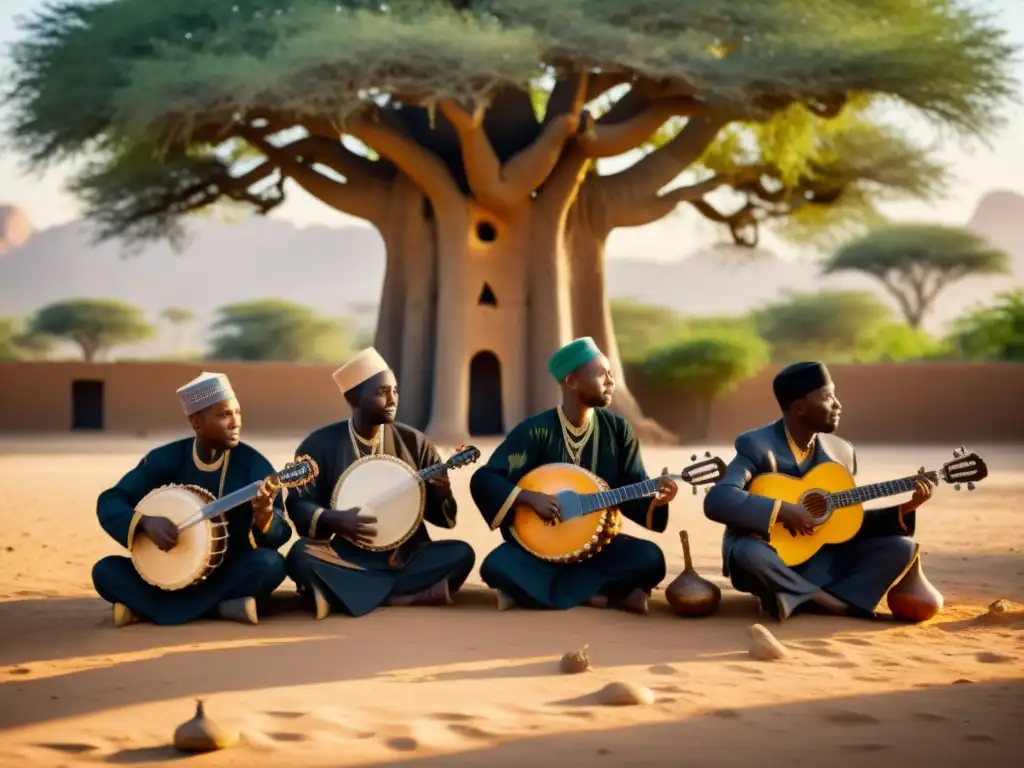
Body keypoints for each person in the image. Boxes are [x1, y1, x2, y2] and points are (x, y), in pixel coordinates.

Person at [703, 361, 934, 622]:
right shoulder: (757, 445)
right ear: (800, 407)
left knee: (901, 547)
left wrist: (906, 509)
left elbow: (842, 522)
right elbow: (719, 499)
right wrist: (785, 511)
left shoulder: (841, 452)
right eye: (827, 396)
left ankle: (795, 597)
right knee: (747, 553)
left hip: (820, 559)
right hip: (772, 558)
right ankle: (832, 603)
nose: (838, 405)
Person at [470, 337, 678, 614]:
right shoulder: (534, 431)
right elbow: (486, 479)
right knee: (496, 566)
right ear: (571, 381)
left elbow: (633, 484)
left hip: (598, 548)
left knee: (651, 559)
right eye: (602, 373)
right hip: (540, 551)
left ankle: (543, 594)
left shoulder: (618, 431)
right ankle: (601, 596)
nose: (610, 381)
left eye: (611, 373)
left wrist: (658, 500)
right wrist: (528, 498)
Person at [284, 348, 476, 619]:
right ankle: (405, 596)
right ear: (354, 397)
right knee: (299, 556)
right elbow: (298, 503)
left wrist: (441, 490)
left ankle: (346, 595)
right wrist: (332, 518)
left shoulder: (415, 442)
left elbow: (444, 518)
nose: (391, 400)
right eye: (382, 392)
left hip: (406, 555)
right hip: (346, 556)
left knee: (461, 554)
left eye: (395, 391)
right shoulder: (319, 445)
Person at [92, 372, 291, 627]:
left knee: (270, 564)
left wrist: (263, 515)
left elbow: (280, 532)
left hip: (226, 571)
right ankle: (221, 608)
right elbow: (111, 500)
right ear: (196, 422)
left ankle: (150, 608)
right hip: (167, 570)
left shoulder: (255, 465)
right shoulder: (165, 459)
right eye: (224, 415)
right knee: (105, 571)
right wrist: (144, 522)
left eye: (237, 413)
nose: (235, 423)